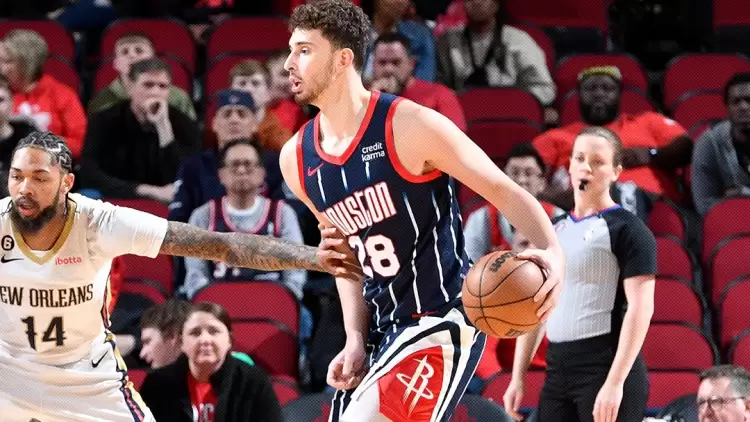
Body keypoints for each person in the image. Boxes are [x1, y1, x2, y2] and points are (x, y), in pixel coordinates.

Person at [279, 2, 565, 421]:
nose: (289, 63)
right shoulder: (297, 160)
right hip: (381, 328)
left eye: (304, 50)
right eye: (291, 50)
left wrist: (553, 254)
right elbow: (345, 257)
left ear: (342, 59)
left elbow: (502, 189)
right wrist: (356, 337)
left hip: (443, 316)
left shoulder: (409, 125)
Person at [0, 130, 358, 421]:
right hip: (9, 377)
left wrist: (316, 258)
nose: (24, 190)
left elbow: (222, 246)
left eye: (39, 179)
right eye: (17, 177)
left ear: (66, 184)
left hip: (85, 380)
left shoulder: (99, 222)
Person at [503, 127, 656, 422]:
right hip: (558, 368)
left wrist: (615, 382)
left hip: (605, 364)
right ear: (569, 166)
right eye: (580, 158)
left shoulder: (629, 229)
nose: (586, 167)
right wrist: (517, 378)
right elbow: (536, 309)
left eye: (598, 161)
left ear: (616, 171)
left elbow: (641, 309)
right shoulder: (552, 230)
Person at [139, 302, 282, 422]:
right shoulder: (157, 384)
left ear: (230, 340)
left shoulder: (254, 382)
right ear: (182, 342)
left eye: (214, 331)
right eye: (195, 333)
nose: (205, 340)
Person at [691, 72, 750, 216]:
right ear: (727, 109)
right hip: (729, 220)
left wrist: (743, 194)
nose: (743, 107)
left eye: (749, 100)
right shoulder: (708, 144)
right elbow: (703, 205)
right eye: (736, 102)